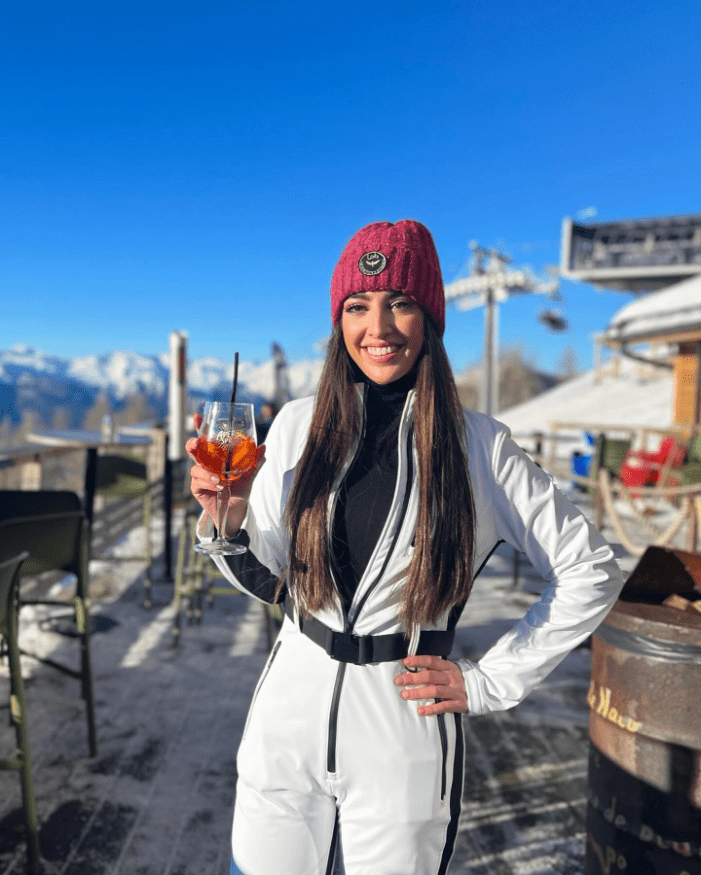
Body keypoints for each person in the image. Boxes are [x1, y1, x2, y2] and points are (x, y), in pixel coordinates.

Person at [187, 220, 624, 875]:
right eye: (357, 306)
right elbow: (278, 575)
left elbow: (590, 568)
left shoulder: (480, 445)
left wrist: (487, 682)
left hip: (401, 722)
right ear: (339, 322)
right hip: (288, 706)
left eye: (401, 303)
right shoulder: (299, 422)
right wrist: (228, 520)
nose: (379, 326)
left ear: (429, 319)